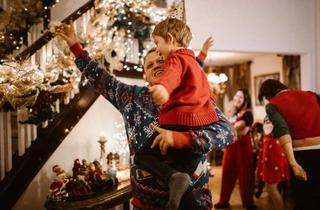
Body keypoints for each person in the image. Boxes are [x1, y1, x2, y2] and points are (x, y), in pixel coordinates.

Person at [57, 23, 236, 209]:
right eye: (150, 65)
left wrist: (184, 139)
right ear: (145, 74)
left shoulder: (196, 96)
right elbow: (99, 77)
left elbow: (228, 132)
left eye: (161, 61)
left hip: (195, 201)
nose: (156, 66)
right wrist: (75, 46)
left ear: (173, 64)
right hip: (147, 203)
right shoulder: (130, 97)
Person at [135, 18, 219, 209]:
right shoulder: (194, 64)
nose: (157, 50)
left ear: (170, 39)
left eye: (157, 43)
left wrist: (163, 89)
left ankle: (173, 177)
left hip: (178, 123)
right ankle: (177, 190)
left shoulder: (175, 59)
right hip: (197, 126)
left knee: (142, 156)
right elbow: (195, 74)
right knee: (183, 177)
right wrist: (204, 52)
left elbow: (172, 75)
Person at [258, 79, 320, 210]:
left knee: (304, 199)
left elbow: (282, 131)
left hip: (303, 155)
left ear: (268, 95)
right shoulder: (312, 95)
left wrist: (293, 163)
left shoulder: (273, 105)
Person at [214, 89, 256, 210]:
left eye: (241, 97)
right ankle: (223, 201)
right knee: (227, 173)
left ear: (245, 100)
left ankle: (248, 204)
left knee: (245, 176)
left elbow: (237, 127)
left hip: (243, 147)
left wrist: (225, 127)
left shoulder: (248, 113)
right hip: (230, 147)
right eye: (236, 96)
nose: (237, 99)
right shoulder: (232, 113)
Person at [255, 116, 291, 210]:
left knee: (271, 188)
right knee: (271, 188)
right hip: (270, 149)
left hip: (273, 151)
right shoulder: (272, 113)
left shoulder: (274, 113)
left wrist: (261, 122)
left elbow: (268, 130)